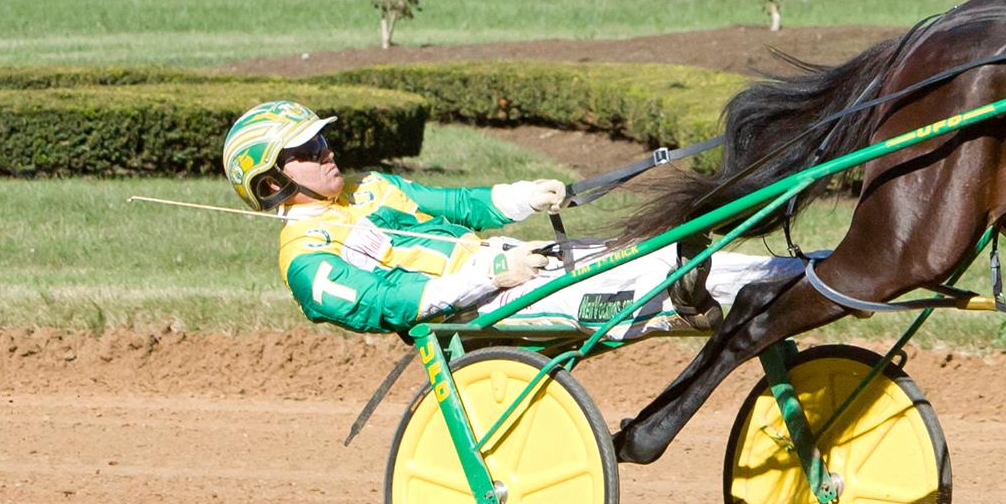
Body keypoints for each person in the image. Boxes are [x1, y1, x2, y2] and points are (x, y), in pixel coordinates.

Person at [223, 100, 798, 338]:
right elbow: (398, 303)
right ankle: (711, 305)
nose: (327, 152)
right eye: (308, 150)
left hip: (509, 265)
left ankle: (806, 274)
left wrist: (529, 195)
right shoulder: (307, 264)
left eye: (323, 139)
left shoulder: (369, 187)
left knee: (665, 252)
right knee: (648, 283)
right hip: (483, 306)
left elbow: (458, 206)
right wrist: (493, 274)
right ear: (272, 184)